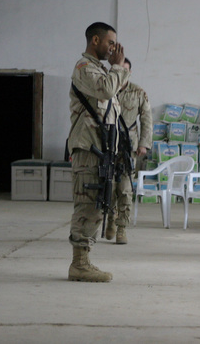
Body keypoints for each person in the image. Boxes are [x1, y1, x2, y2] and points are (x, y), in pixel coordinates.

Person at [67, 22, 130, 282]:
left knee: (98, 204)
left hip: (101, 150)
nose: (113, 47)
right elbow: (106, 89)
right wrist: (118, 66)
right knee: (87, 204)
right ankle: (79, 264)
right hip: (88, 148)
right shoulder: (84, 69)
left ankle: (84, 260)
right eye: (109, 42)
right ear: (95, 40)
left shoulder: (101, 71)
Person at [104, 58, 153, 245]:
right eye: (119, 69)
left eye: (125, 70)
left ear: (130, 72)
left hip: (128, 148)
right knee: (109, 187)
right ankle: (110, 218)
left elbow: (147, 119)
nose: (122, 73)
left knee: (125, 188)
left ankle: (122, 227)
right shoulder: (106, 90)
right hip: (107, 145)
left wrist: (144, 143)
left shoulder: (138, 92)